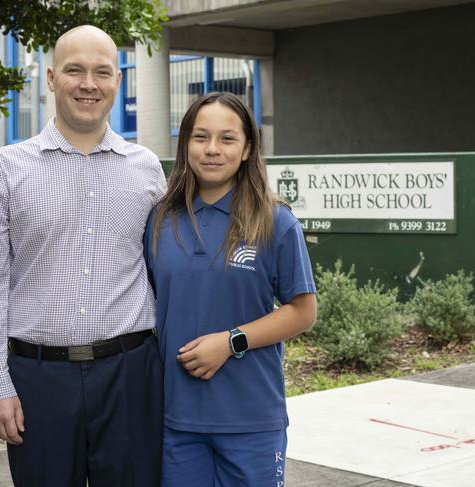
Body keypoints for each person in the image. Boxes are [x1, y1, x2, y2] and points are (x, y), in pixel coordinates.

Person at [0, 25, 166, 487]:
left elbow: (165, 269)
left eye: (102, 72)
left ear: (118, 80)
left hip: (131, 375)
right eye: (75, 71)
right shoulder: (5, 169)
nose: (88, 84)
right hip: (40, 380)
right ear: (53, 79)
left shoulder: (147, 170)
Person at [145, 92, 317, 487]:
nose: (212, 150)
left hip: (251, 419)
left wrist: (231, 342)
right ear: (185, 142)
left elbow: (303, 311)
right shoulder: (159, 220)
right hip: (176, 420)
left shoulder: (275, 221)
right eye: (200, 137)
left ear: (247, 149)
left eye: (227, 139)